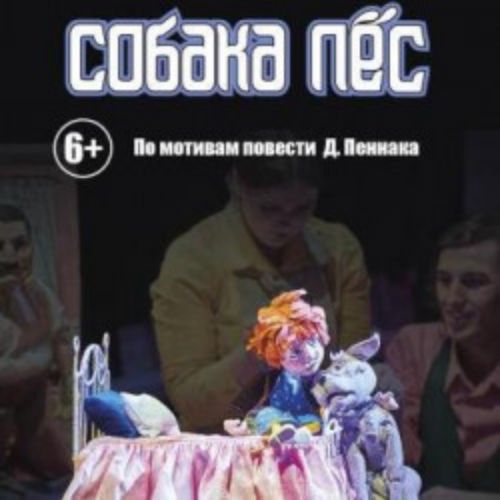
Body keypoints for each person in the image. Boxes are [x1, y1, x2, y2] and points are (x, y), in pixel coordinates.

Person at [151, 134, 371, 432]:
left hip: (319, 434)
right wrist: (259, 352)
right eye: (269, 208)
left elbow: (356, 365)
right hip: (225, 443)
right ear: (236, 186)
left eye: (302, 208)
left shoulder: (339, 250)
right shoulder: (192, 259)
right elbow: (190, 402)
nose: (286, 222)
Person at [386, 215, 500, 496]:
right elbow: (397, 462)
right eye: (444, 280)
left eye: (473, 282)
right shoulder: (416, 348)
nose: (452, 299)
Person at [0, 204, 72, 482]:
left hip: (33, 406)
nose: (9, 256)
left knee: (63, 467)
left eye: (19, 245)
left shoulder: (40, 294)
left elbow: (61, 337)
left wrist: (69, 387)